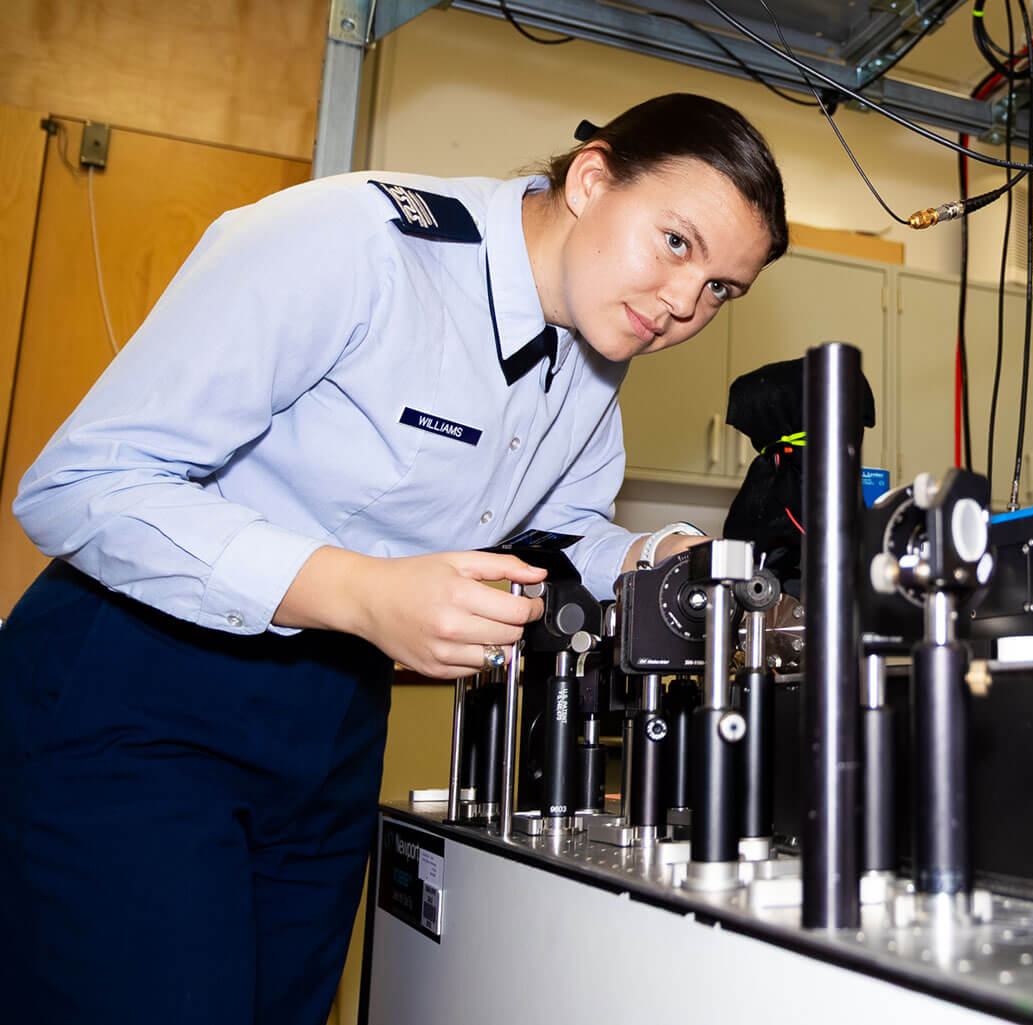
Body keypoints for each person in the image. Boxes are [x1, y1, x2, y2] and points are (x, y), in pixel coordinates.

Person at [0, 92, 787, 1024]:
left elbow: (562, 529)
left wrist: (664, 557)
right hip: (139, 691)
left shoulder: (590, 358)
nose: (683, 304)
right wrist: (364, 592)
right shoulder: (355, 244)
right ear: (590, 179)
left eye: (720, 290)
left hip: (330, 728)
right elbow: (80, 485)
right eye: (677, 244)